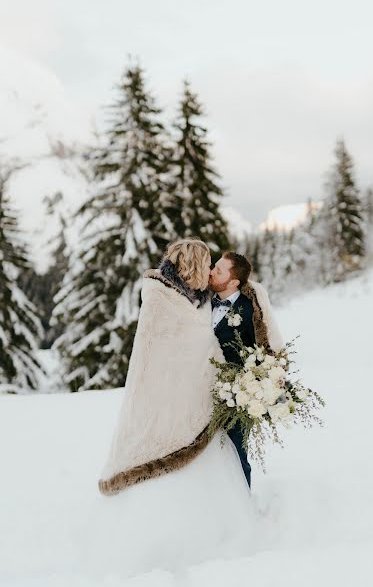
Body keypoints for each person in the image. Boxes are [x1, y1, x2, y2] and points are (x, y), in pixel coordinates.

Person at [84, 239, 257, 577]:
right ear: (193, 267)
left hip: (197, 406)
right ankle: (161, 551)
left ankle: (215, 544)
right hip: (162, 403)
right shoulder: (161, 299)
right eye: (207, 264)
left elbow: (205, 347)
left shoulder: (200, 299)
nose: (211, 271)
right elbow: (161, 353)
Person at [209, 251, 284, 489]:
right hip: (201, 392)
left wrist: (262, 387)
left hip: (236, 396)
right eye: (214, 266)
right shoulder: (201, 301)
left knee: (235, 455)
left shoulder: (251, 311)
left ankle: (243, 506)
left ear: (234, 282)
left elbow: (265, 351)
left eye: (219, 270)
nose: (211, 271)